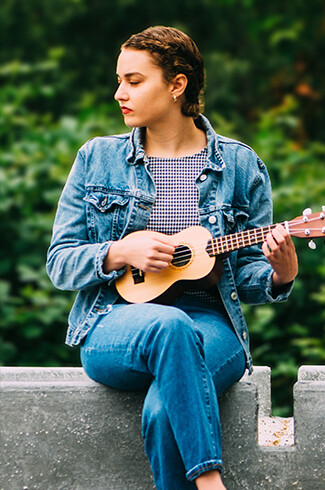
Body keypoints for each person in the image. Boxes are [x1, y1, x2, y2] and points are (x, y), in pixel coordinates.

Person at [46, 26, 298, 489]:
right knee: (169, 325)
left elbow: (246, 274)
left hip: (210, 322)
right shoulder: (96, 159)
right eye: (119, 80)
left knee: (165, 410)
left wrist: (280, 275)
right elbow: (61, 262)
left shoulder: (240, 166)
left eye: (135, 81)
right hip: (115, 320)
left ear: (177, 85)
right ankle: (211, 483)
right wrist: (121, 250)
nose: (120, 93)